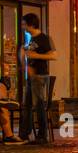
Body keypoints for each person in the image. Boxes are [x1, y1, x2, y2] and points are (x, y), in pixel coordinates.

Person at [20, 12, 57, 145]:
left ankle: (42, 135)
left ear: (31, 24)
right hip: (31, 76)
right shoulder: (29, 38)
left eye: (24, 24)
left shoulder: (44, 38)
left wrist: (35, 56)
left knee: (39, 105)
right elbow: (26, 54)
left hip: (40, 76)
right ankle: (25, 134)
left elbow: (53, 56)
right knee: (27, 105)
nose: (23, 26)